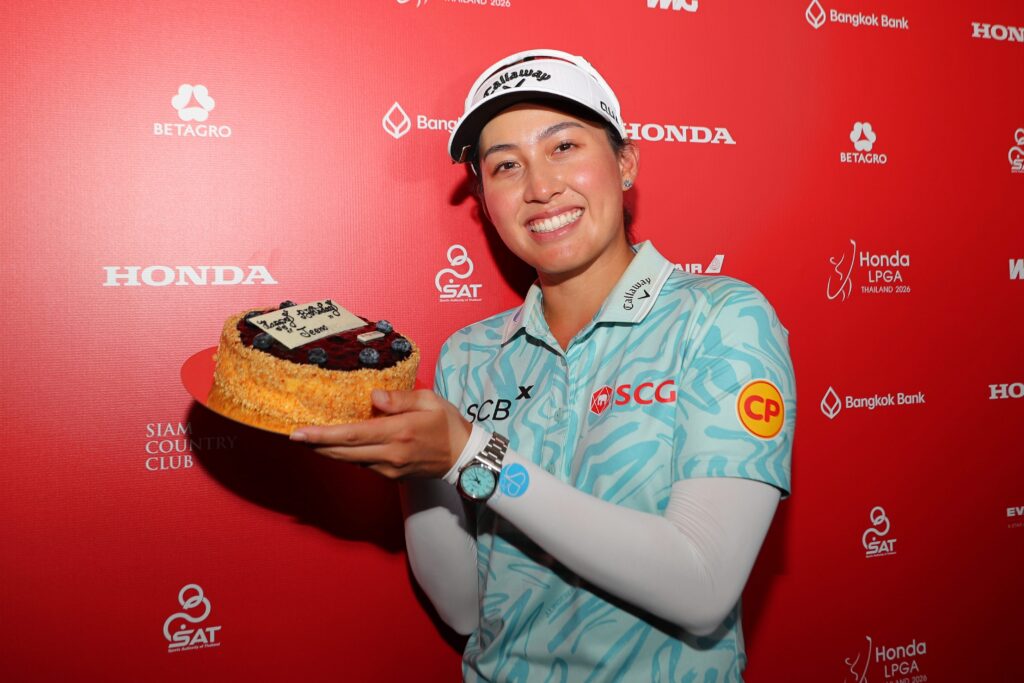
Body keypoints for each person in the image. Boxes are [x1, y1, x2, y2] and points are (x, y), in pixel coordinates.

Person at [290, 49, 795, 682]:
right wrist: (417, 466)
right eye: (506, 165)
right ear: (484, 200)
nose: (539, 187)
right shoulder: (469, 355)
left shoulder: (721, 319)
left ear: (626, 162)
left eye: (564, 147)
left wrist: (470, 456)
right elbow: (464, 608)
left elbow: (703, 587)